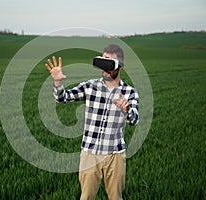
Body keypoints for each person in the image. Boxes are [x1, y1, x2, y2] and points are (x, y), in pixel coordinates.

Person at [45, 44, 139, 200]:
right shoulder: (90, 86)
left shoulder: (129, 92)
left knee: (116, 197)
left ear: (120, 67)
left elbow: (134, 120)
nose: (105, 67)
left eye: (110, 63)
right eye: (103, 61)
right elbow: (63, 98)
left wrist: (126, 109)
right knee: (87, 196)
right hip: (90, 154)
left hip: (115, 155)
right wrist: (57, 83)